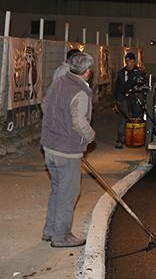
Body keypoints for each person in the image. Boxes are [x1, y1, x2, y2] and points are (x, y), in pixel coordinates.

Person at [40, 52, 96, 248]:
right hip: (66, 151)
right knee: (68, 193)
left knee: (57, 190)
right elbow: (79, 122)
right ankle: (61, 236)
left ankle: (50, 231)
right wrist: (90, 136)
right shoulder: (80, 92)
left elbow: (45, 105)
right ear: (88, 72)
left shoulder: (59, 82)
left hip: (49, 146)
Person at [113, 52, 146, 149]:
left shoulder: (139, 72)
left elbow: (142, 85)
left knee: (136, 119)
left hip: (135, 97)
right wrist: (116, 99)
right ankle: (120, 139)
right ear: (125, 61)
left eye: (131, 61)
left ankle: (135, 139)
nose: (130, 63)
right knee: (123, 119)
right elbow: (117, 87)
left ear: (134, 61)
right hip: (124, 98)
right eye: (128, 61)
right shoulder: (121, 72)